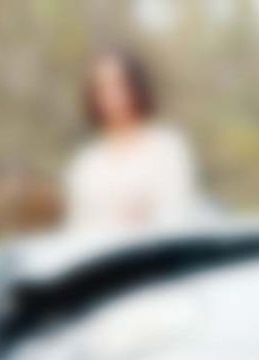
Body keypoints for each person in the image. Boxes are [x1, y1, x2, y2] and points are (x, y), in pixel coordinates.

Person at [64, 48, 200, 234]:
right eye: (102, 87)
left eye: (119, 84)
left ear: (136, 86)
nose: (112, 96)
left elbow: (178, 215)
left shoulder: (167, 148)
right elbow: (78, 228)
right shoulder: (86, 163)